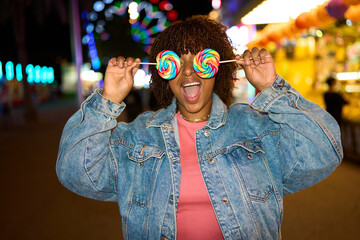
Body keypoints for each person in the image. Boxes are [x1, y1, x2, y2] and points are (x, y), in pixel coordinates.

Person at [56, 16, 342, 239]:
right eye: (176, 63)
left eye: (200, 60)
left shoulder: (255, 129)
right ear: (163, 74)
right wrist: (108, 99)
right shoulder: (137, 137)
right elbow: (74, 171)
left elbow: (325, 149)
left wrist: (271, 88)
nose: (189, 71)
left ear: (219, 67)